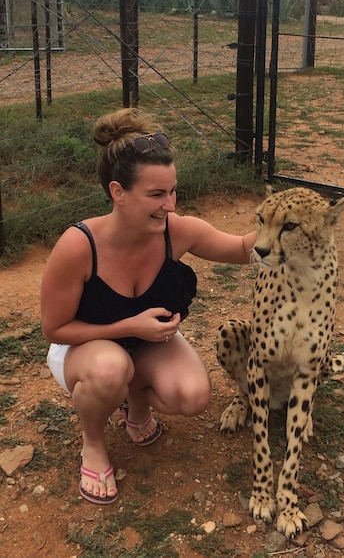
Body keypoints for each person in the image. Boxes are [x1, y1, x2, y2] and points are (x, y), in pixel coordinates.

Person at [40, 108, 257, 505]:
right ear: (118, 193)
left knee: (192, 396)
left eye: (173, 191)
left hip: (147, 339)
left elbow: (245, 249)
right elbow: (55, 330)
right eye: (156, 194)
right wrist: (129, 327)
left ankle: (135, 406)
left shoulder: (178, 231)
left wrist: (294, 217)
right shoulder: (78, 246)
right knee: (110, 369)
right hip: (83, 349)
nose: (170, 205)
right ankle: (94, 443)